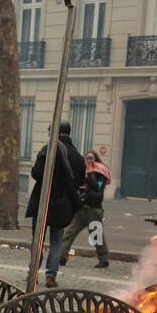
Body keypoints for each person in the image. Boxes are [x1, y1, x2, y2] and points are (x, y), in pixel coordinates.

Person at [25, 119, 84, 288]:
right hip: (63, 205)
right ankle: (51, 275)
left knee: (38, 240)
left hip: (43, 201)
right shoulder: (78, 156)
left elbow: (36, 172)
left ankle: (33, 273)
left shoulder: (48, 149)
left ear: (54, 133)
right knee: (57, 241)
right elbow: (80, 181)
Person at [61, 150, 112, 269]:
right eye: (87, 158)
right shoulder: (82, 172)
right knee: (69, 233)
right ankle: (61, 257)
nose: (89, 161)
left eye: (91, 158)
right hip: (81, 209)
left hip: (94, 210)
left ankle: (104, 260)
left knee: (97, 237)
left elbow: (97, 188)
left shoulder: (100, 173)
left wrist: (90, 173)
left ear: (96, 159)